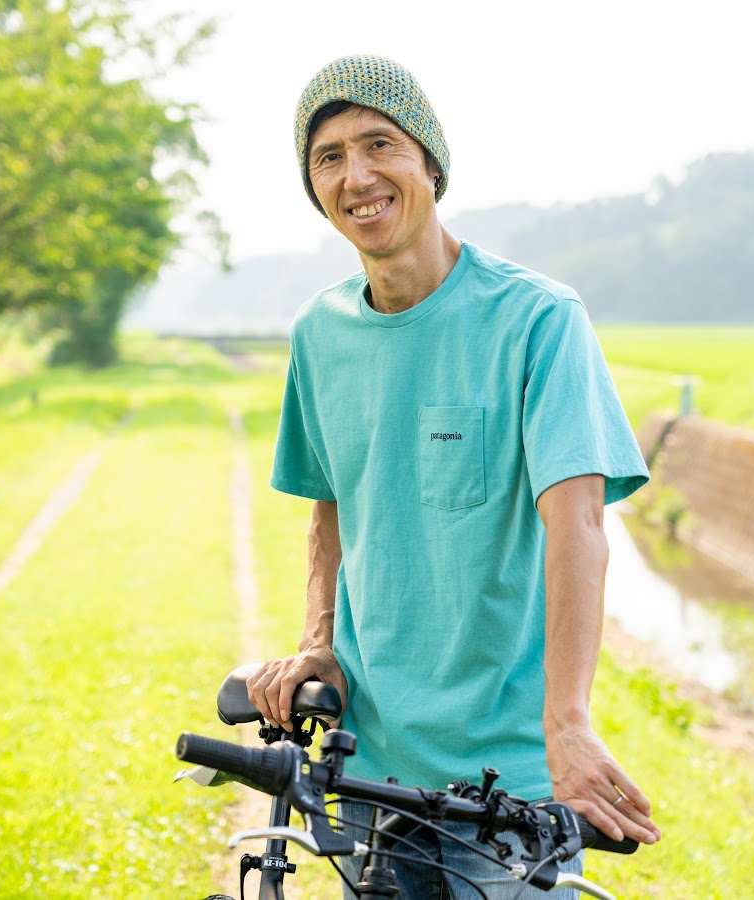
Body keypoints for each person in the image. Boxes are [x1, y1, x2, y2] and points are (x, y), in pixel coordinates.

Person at [247, 54, 661, 898]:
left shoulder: (537, 319)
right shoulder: (319, 333)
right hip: (367, 765)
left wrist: (568, 723)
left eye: (380, 144)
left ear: (430, 164)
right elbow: (329, 508)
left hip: (507, 781)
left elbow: (579, 525)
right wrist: (319, 643)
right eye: (329, 157)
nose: (357, 176)